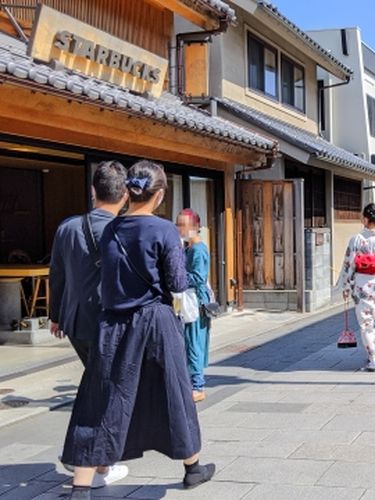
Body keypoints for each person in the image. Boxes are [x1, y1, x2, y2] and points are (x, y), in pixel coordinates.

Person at [61, 161, 214, 500]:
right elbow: (176, 283)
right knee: (174, 392)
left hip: (113, 323)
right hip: (156, 321)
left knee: (99, 399)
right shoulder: (163, 231)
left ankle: (81, 487)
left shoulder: (112, 229)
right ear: (159, 195)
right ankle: (192, 468)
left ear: (130, 190)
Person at [48, 161, 130, 489]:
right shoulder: (122, 231)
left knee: (98, 386)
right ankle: (93, 462)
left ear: (93, 191)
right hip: (110, 325)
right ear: (124, 195)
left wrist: (55, 316)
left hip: (76, 322)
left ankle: (95, 460)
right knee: (106, 393)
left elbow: (57, 275)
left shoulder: (67, 228)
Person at [337, 203, 375, 372]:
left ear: (365, 219)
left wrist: (346, 285)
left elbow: (349, 264)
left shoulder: (356, 240)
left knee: (365, 323)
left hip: (362, 286)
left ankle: (372, 357)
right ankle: (372, 351)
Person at [176, 209, 212, 402]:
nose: (180, 229)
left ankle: (198, 386)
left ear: (196, 227)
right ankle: (193, 383)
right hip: (190, 301)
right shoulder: (189, 247)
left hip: (195, 302)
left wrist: (176, 277)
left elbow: (198, 277)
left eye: (184, 225)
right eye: (178, 224)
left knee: (193, 343)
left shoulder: (197, 249)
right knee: (190, 342)